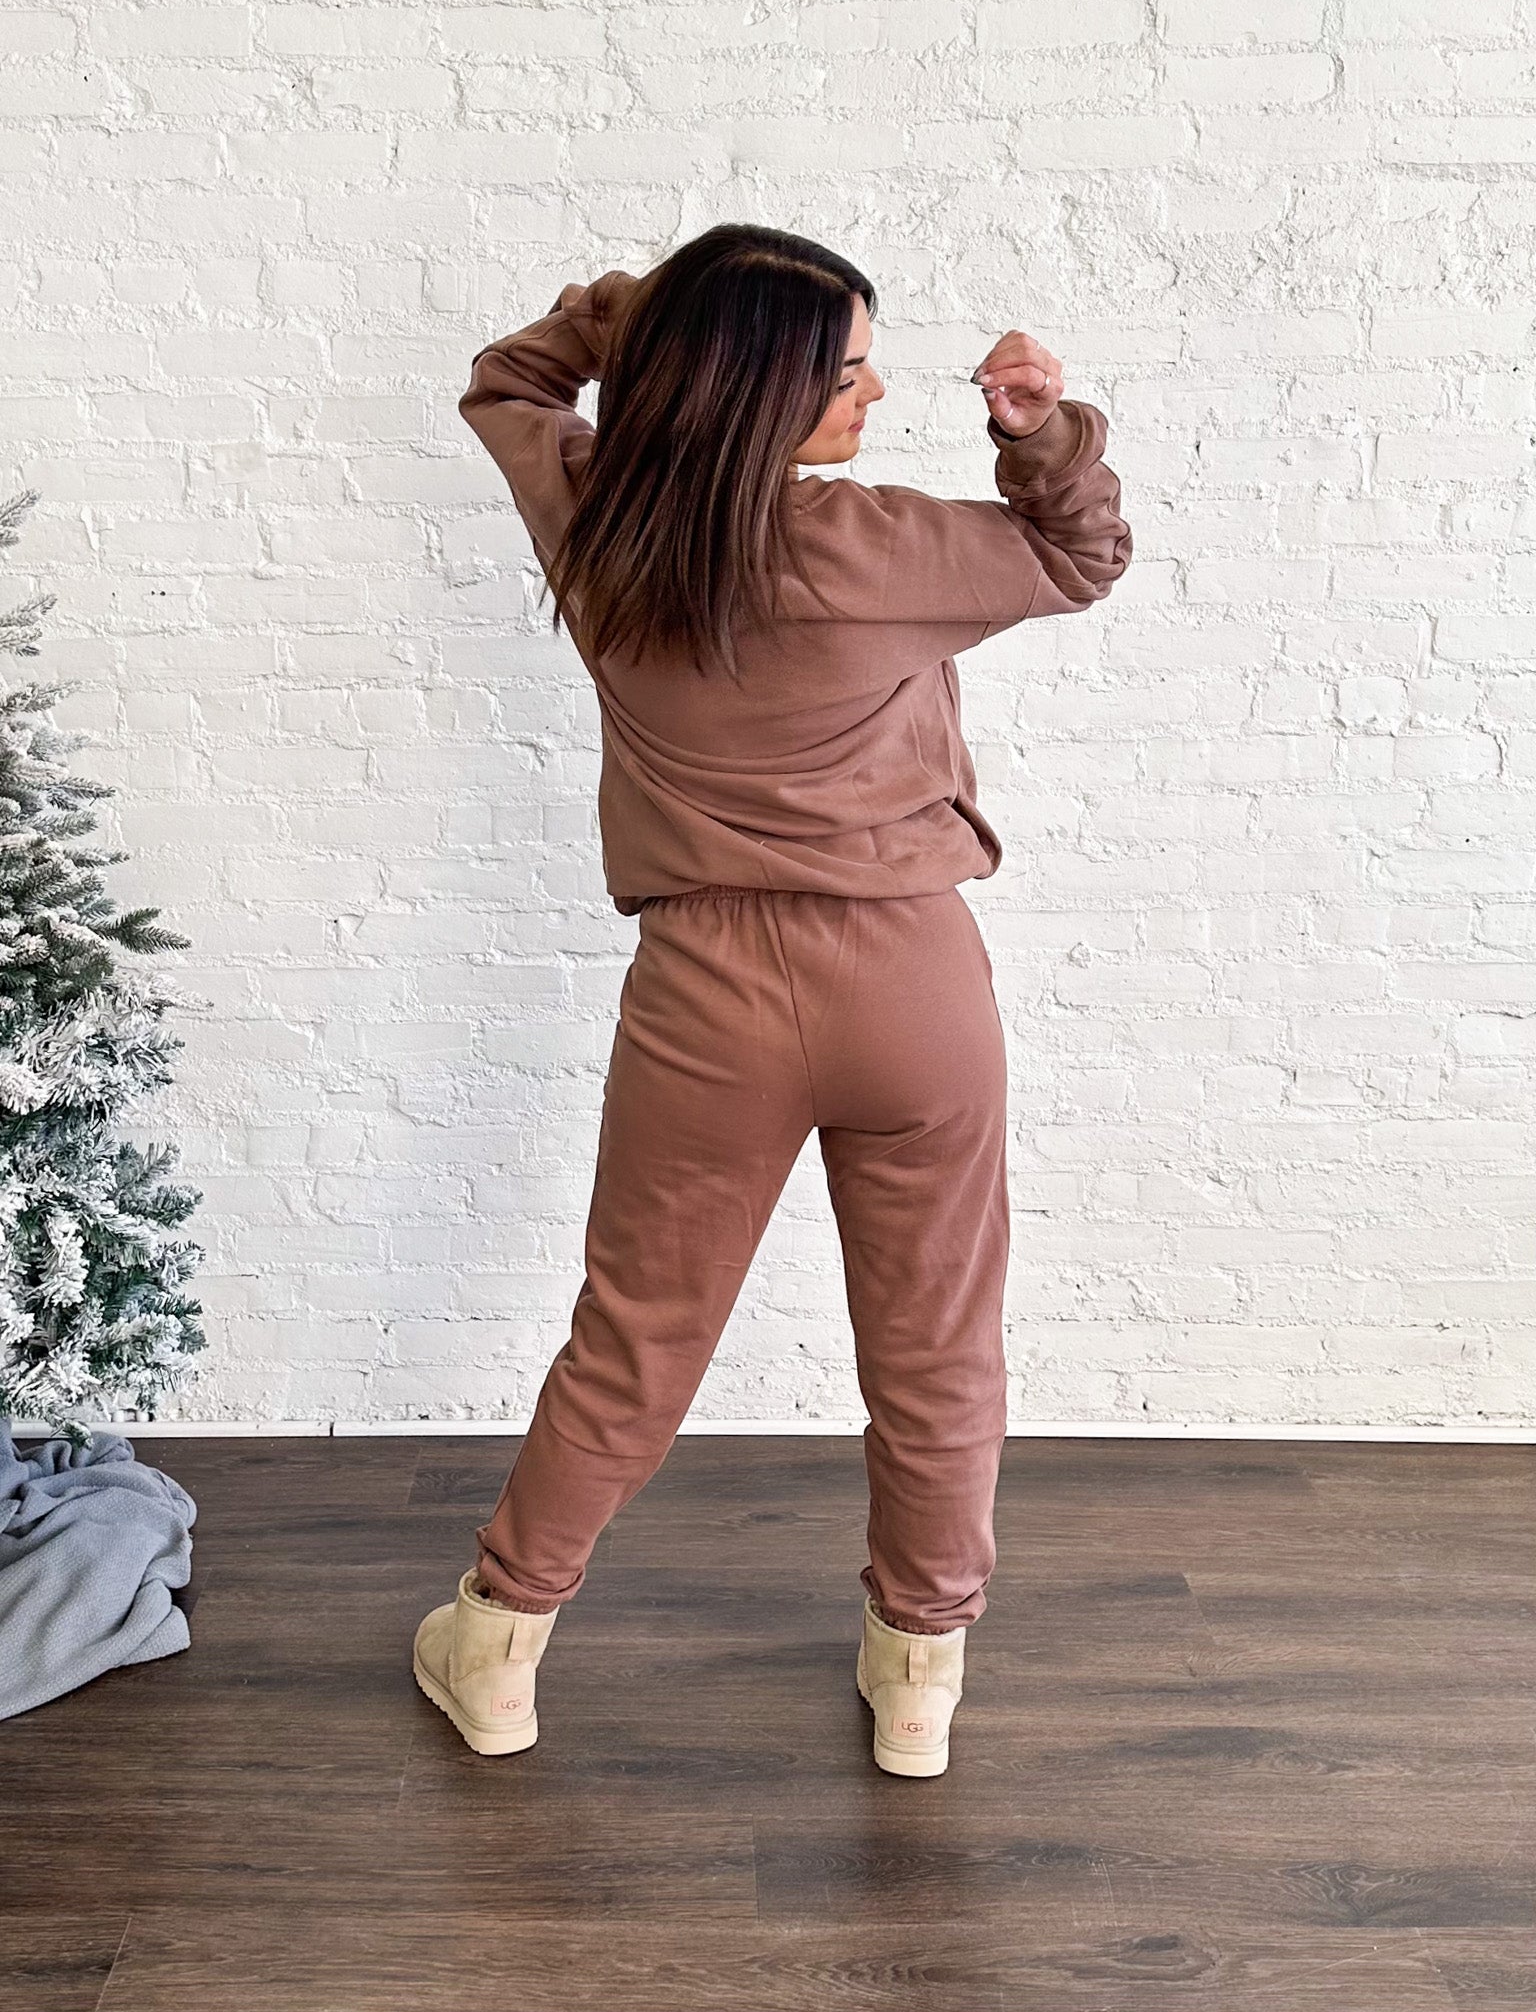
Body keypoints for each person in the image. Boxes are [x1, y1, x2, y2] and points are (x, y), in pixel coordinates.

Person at [412, 223, 1132, 1775]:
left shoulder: (601, 516)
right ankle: (920, 1674)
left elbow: (508, 383)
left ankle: (497, 1643)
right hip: (912, 985)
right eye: (845, 369)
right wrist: (1041, 438)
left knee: (636, 1335)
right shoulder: (887, 546)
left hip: (708, 995)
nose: (875, 391)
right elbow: (1082, 557)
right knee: (938, 1342)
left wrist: (635, 314)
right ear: (760, 391)